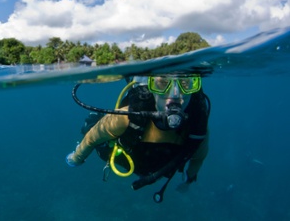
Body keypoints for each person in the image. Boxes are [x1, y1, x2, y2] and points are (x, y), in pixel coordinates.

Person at [66, 75, 210, 202]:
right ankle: (94, 120)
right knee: (92, 131)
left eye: (185, 84)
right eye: (162, 83)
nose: (175, 95)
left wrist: (189, 180)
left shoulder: (197, 128)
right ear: (151, 87)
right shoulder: (126, 118)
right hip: (124, 155)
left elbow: (198, 158)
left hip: (158, 164)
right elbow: (92, 137)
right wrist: (77, 157)